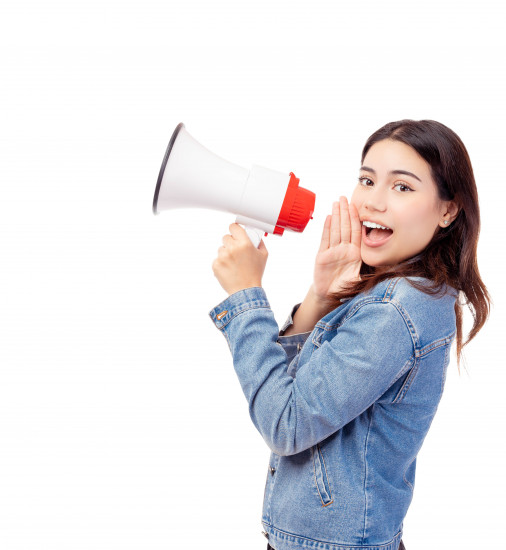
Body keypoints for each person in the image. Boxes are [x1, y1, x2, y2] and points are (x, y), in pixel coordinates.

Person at [208, 119, 489, 550]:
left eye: (403, 187)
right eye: (367, 179)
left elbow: (286, 424)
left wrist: (247, 300)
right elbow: (298, 391)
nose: (373, 201)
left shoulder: (395, 310)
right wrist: (320, 298)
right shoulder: (411, 294)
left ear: (448, 210)